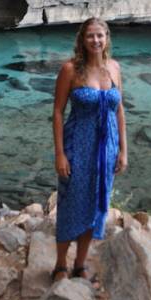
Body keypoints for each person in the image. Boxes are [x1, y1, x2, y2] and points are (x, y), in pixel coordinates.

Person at [52, 17, 127, 280]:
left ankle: (80, 264)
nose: (95, 40)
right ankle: (61, 263)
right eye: (90, 36)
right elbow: (58, 112)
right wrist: (60, 153)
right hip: (77, 145)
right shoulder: (70, 70)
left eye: (100, 36)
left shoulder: (114, 68)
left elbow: (119, 110)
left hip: (106, 149)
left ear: (107, 38)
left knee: (96, 203)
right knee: (70, 201)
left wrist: (123, 150)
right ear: (82, 40)